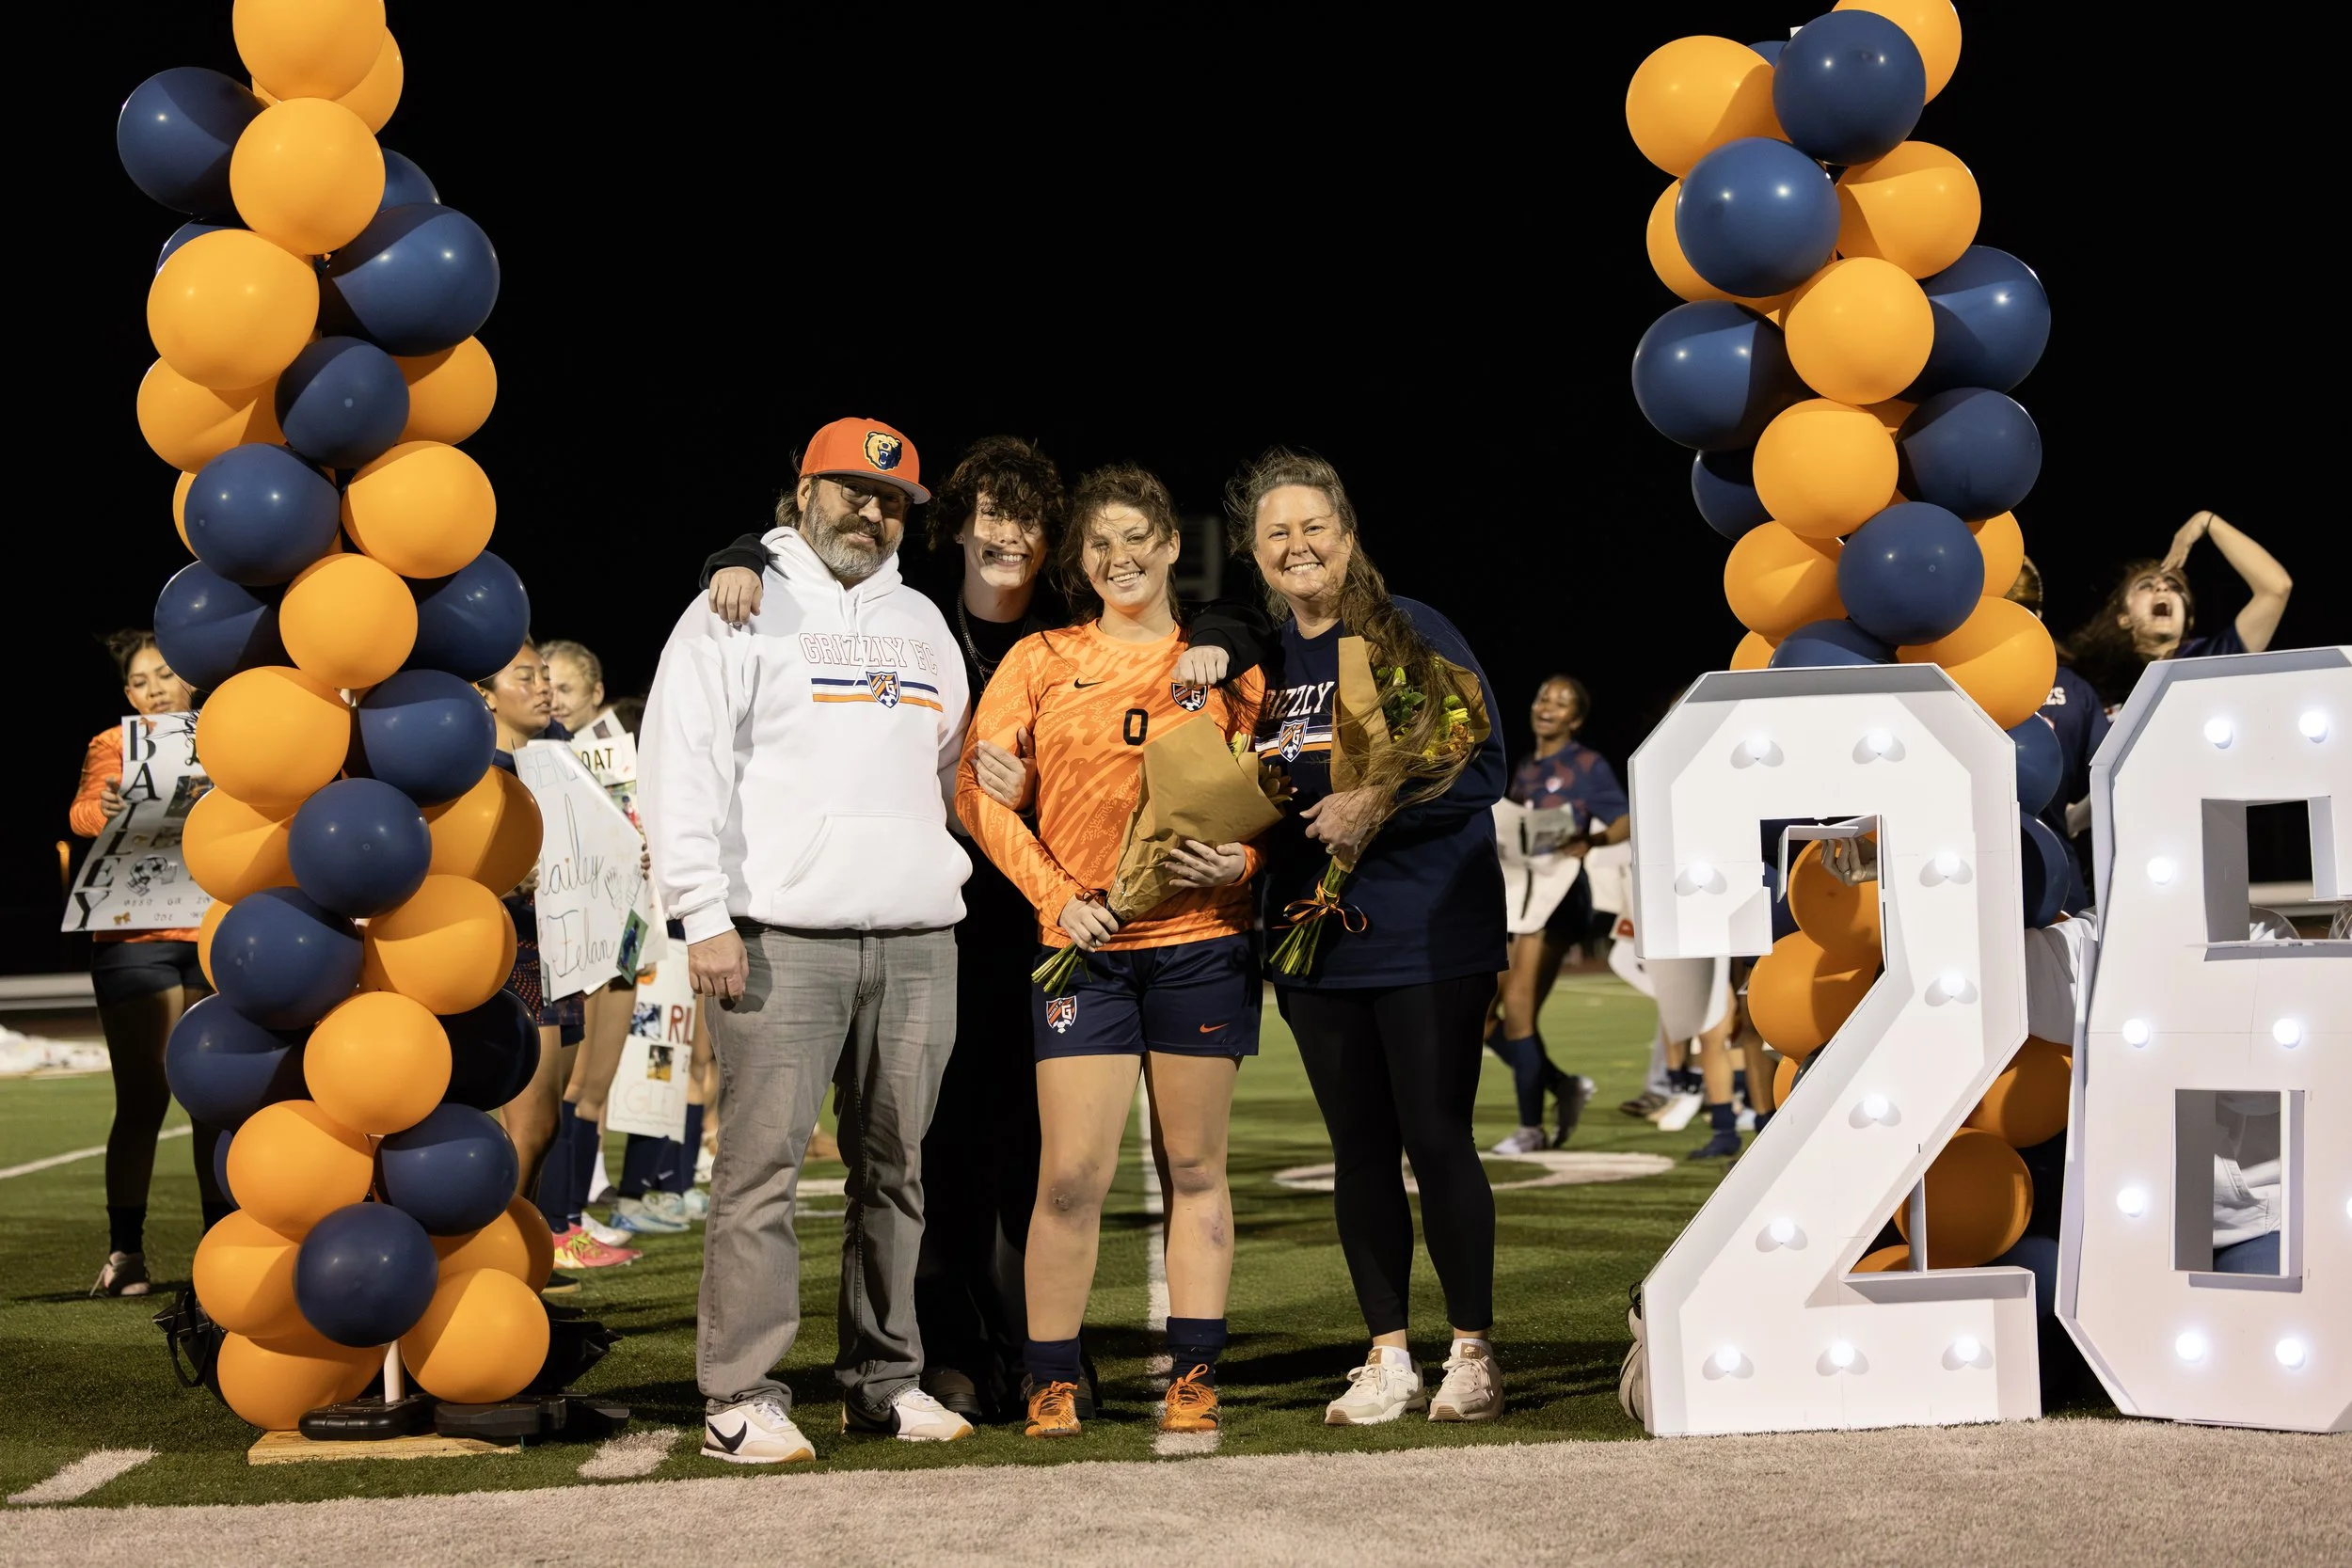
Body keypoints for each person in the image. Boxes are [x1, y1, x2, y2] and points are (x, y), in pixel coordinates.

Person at [701, 436, 1270, 1422]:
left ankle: (1034, 1350)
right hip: (941, 924)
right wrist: (737, 554)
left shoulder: (1063, 631)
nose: (1009, 533)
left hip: (1055, 935)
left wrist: (1224, 629)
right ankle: (943, 1354)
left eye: (1029, 519)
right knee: (928, 1150)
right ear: (957, 526)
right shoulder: (907, 617)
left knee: (1034, 1153)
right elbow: (808, 582)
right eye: (990, 515)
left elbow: (1206, 642)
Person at [641, 415, 976, 1463]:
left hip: (919, 936)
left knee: (899, 1170)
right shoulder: (734, 605)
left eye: (889, 502)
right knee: (759, 1173)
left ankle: (885, 1378)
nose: (868, 513)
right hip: (780, 935)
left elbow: (946, 770)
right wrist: (702, 912)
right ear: (804, 490)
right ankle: (740, 1390)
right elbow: (678, 760)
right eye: (850, 491)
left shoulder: (923, 620)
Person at [957, 464, 1267, 1443]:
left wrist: (1246, 856)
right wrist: (1059, 897)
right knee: (1070, 1176)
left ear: (1172, 543)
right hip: (1081, 950)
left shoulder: (1223, 663)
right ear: (1077, 561)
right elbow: (977, 793)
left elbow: (1279, 795)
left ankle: (1194, 1373)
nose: (1119, 558)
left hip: (1199, 944)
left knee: (1194, 1164)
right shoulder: (1044, 657)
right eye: (1098, 544)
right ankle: (1050, 1379)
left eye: (1137, 538)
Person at [1228, 448, 1511, 1426]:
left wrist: (1377, 799)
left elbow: (1484, 767)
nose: (1297, 545)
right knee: (1357, 1150)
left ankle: (1471, 1349)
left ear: (1347, 536)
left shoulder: (1407, 628)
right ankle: (1387, 1353)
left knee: (1435, 1138)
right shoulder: (1262, 667)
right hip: (1318, 943)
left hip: (1428, 930)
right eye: (1276, 533)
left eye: (1314, 526)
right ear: (1254, 555)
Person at [71, 631, 232, 1296]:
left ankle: (221, 1246)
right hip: (134, 934)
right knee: (144, 1097)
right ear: (127, 694)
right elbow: (82, 812)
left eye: (165, 674)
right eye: (141, 681)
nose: (156, 688)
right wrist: (102, 808)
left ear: (191, 678)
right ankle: (125, 1252)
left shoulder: (229, 735)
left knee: (211, 1099)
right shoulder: (114, 745)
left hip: (213, 928)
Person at [479, 641, 636, 1275]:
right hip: (513, 952)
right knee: (531, 1121)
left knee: (546, 1126)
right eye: (525, 676)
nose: (543, 687)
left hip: (563, 951)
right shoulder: (478, 771)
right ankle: (486, 1261)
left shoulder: (560, 759)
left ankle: (521, 1263)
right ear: (486, 695)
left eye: (546, 675)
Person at [1488, 673, 1627, 1154]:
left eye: (1562, 702)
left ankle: (1531, 1128)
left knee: (1519, 1012)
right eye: (1544, 696)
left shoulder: (1586, 764)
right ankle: (1563, 1086)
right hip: (1522, 896)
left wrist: (1591, 840)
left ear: (1577, 719)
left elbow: (1625, 818)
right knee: (1483, 1016)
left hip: (1562, 896)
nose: (1548, 705)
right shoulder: (1524, 767)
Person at [2068, 510, 2294, 708]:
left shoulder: (2215, 657)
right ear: (2124, 618)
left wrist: (2206, 521)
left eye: (2174, 586)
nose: (2162, 586)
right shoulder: (2095, 684)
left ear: (2188, 619)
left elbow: (2275, 588)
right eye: (2146, 585)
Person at [2002, 558, 2108, 912]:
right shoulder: (2076, 690)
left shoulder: (1950, 681)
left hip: (1969, 872)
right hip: (2055, 872)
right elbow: (2114, 780)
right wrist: (2071, 820)